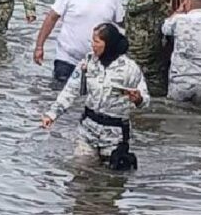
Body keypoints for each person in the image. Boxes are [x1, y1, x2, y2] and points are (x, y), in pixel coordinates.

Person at [41, 23, 149, 168]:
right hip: (88, 130)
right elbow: (70, 90)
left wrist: (138, 99)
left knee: (110, 182)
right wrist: (52, 114)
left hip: (115, 135)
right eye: (92, 41)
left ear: (108, 44)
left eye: (97, 41)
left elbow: (145, 100)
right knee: (80, 172)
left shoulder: (130, 69)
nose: (93, 45)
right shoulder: (88, 63)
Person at [34, 0, 124, 84]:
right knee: (60, 93)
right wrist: (39, 46)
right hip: (67, 57)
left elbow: (121, 25)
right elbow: (51, 18)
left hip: (97, 60)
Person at [125, 0, 176, 97]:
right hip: (136, 58)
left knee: (158, 94)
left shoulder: (161, 7)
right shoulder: (135, 3)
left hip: (154, 60)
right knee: (129, 92)